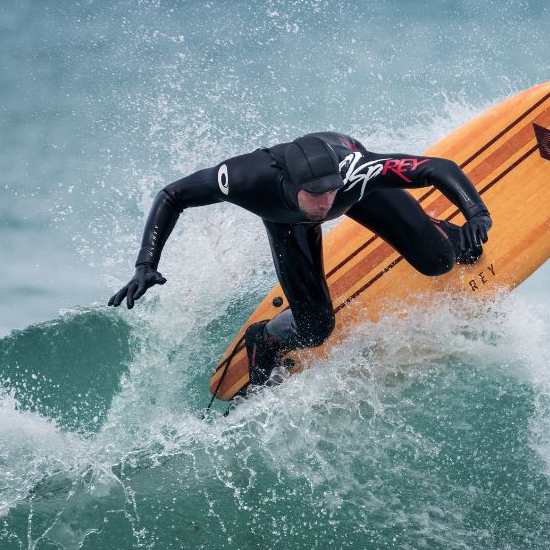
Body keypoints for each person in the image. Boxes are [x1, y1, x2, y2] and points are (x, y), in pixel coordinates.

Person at [108, 131, 492, 384]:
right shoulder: (244, 178)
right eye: (316, 194)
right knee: (315, 329)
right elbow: (172, 196)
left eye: (330, 192)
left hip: (358, 189)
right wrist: (146, 264)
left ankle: (440, 229)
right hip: (286, 222)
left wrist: (476, 213)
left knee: (440, 262)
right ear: (293, 186)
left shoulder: (353, 173)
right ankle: (266, 338)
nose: (326, 204)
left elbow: (436, 168)